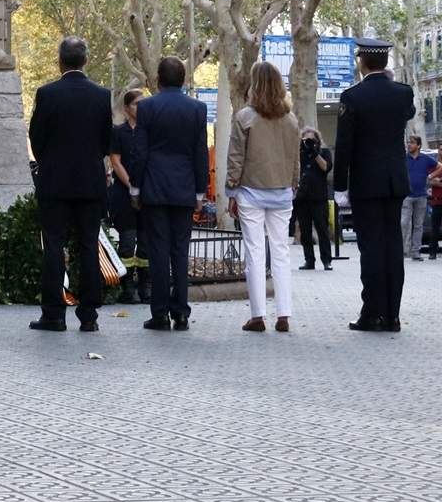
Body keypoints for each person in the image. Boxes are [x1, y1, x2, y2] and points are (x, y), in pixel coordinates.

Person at [26, 36, 113, 332]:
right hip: (89, 183)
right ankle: (89, 316)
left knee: (53, 246)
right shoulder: (102, 95)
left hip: (55, 183)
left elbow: (36, 137)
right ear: (85, 60)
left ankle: (53, 314)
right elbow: (106, 142)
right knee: (88, 246)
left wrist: (51, 162)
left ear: (60, 60)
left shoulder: (47, 94)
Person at [332, 39, 414, 333]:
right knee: (393, 246)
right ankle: (393, 314)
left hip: (366, 182)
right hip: (395, 181)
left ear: (361, 62)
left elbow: (344, 146)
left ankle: (372, 313)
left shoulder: (352, 97)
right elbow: (408, 113)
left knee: (371, 249)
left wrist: (340, 186)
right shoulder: (403, 93)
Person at [127, 56, 209, 332]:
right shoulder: (197, 109)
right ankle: (182, 313)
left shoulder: (147, 107)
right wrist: (200, 191)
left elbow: (140, 152)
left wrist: (135, 188)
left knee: (159, 251)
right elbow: (200, 154)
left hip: (155, 188)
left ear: (158, 80)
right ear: (184, 79)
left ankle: (160, 314)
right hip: (184, 188)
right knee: (180, 251)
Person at [226, 61, 301, 333]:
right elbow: (295, 159)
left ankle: (257, 315)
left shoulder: (245, 117)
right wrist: (293, 184)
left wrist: (231, 190)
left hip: (250, 191)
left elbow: (235, 157)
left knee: (254, 253)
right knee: (281, 252)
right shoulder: (291, 119)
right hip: (281, 191)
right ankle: (284, 314)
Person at [107, 89, 146, 304]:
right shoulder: (118, 132)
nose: (140, 108)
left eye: (143, 103)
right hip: (124, 195)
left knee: (146, 242)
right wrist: (131, 184)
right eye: (136, 104)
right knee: (128, 242)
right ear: (126, 108)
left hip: (147, 195)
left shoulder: (148, 131)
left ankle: (145, 286)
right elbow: (115, 160)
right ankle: (128, 288)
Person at [293, 127, 333, 271]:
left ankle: (327, 260)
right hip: (303, 198)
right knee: (305, 232)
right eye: (306, 140)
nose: (309, 143)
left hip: (319, 198)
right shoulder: (299, 154)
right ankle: (309, 260)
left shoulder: (324, 153)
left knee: (322, 229)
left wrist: (314, 152)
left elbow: (326, 167)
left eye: (312, 140)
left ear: (317, 140)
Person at [401, 135, 433, 261]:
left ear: (418, 145)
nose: (409, 145)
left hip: (421, 196)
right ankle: (402, 250)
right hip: (406, 195)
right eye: (409, 142)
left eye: (412, 143)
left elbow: (440, 168)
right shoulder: (403, 158)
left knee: (418, 225)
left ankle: (416, 251)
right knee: (403, 223)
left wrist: (429, 177)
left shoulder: (425, 159)